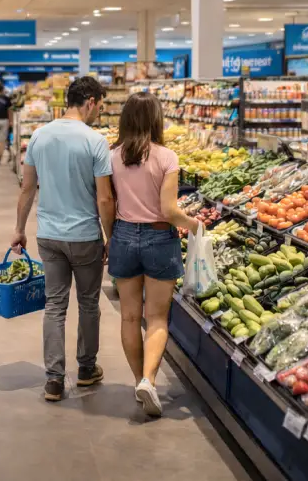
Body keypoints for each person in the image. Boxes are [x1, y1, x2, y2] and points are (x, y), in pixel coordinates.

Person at [10, 76, 114, 403]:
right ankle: (86, 369)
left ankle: (54, 380)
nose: (99, 112)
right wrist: (110, 236)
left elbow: (27, 188)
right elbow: (104, 198)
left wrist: (19, 228)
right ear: (90, 102)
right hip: (85, 237)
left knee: (54, 306)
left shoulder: (39, 136)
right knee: (88, 303)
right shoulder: (95, 141)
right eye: (100, 106)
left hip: (49, 236)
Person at [108, 92, 203, 417]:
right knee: (157, 318)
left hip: (122, 235)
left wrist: (109, 237)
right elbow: (168, 210)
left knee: (129, 317)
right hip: (160, 238)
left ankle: (138, 380)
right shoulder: (167, 157)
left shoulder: (112, 156)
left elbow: (106, 201)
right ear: (156, 119)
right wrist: (193, 224)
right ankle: (149, 379)